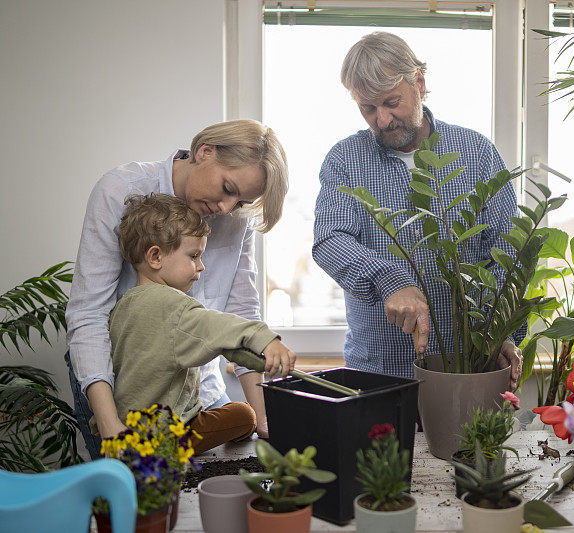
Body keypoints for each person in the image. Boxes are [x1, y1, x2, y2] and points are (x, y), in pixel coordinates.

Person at [66, 119, 293, 458]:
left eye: (242, 201)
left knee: (214, 482)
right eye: (228, 189)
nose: (228, 209)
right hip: (117, 389)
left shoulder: (235, 219)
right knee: (140, 496)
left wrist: (263, 419)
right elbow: (88, 315)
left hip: (197, 385)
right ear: (205, 152)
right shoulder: (119, 191)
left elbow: (240, 312)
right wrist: (111, 424)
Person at [312, 32, 523, 387]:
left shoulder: (478, 153)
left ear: (419, 83)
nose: (381, 119)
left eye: (391, 102)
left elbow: (507, 254)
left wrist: (500, 328)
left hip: (470, 370)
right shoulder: (344, 160)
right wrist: (389, 279)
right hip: (378, 373)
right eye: (367, 107)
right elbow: (330, 241)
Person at [98, 193, 294, 453]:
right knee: (243, 415)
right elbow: (218, 326)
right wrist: (264, 339)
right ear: (155, 257)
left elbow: (213, 342)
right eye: (193, 256)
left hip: (127, 427)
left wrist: (250, 359)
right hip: (163, 435)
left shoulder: (123, 306)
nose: (201, 267)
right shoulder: (175, 307)